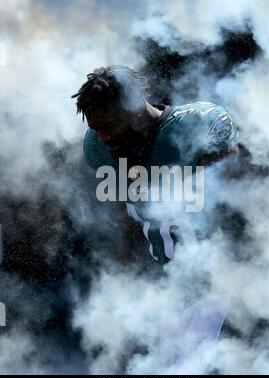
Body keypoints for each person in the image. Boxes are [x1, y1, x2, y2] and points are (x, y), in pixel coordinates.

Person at [72, 65, 239, 266]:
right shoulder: (97, 147)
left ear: (135, 107)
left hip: (229, 265)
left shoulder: (197, 125)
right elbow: (128, 213)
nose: (104, 137)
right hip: (168, 279)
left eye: (111, 125)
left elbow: (242, 187)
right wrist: (126, 268)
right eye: (97, 129)